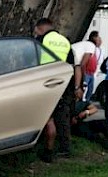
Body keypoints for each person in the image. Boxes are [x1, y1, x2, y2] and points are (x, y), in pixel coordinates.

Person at [34, 18, 76, 162]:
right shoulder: (65, 41)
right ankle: (65, 148)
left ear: (40, 29)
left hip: (45, 84)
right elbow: (72, 65)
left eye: (36, 31)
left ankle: (46, 149)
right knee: (62, 117)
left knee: (47, 117)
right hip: (63, 84)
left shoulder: (40, 40)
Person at [71, 34, 96, 101]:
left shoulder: (83, 45)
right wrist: (78, 86)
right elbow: (82, 64)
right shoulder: (91, 45)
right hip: (72, 56)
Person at [82, 31, 102, 102]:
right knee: (84, 89)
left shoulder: (96, 48)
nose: (99, 39)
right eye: (97, 37)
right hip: (86, 72)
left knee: (90, 90)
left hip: (91, 73)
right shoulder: (89, 45)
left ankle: (86, 102)